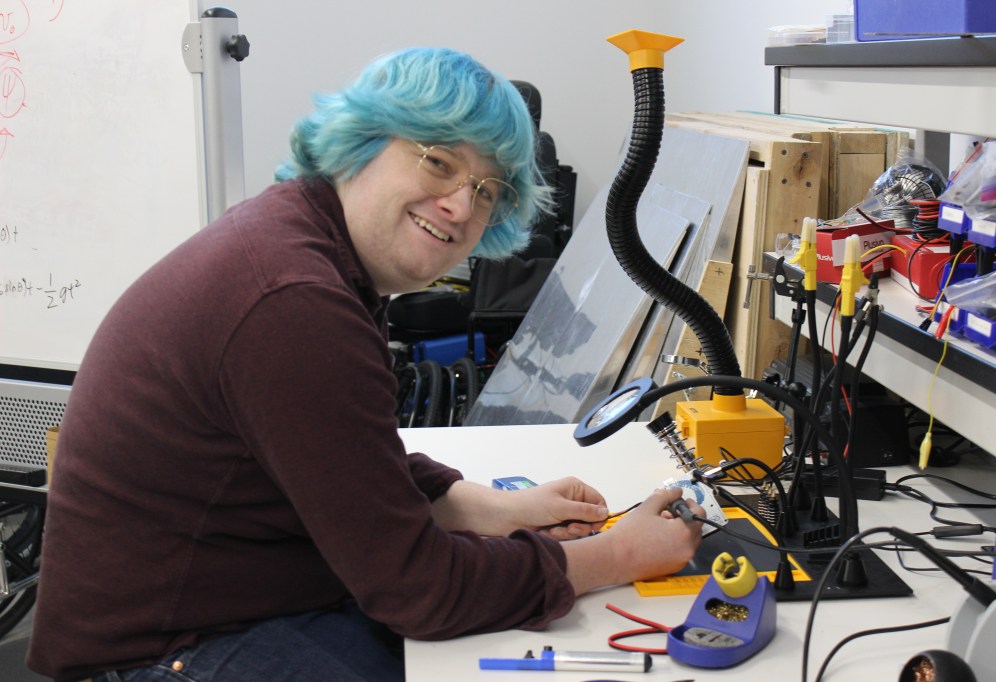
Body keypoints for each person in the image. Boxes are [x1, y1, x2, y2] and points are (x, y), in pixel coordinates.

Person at [27, 47, 704, 682]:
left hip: (217, 594)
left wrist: (495, 509)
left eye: (486, 190)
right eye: (438, 162)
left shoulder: (305, 243)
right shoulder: (293, 301)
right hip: (157, 652)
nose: (461, 206)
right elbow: (420, 591)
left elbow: (345, 459)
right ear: (365, 140)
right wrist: (617, 555)